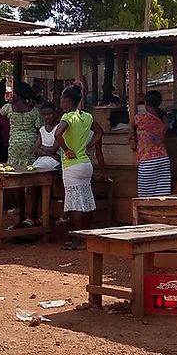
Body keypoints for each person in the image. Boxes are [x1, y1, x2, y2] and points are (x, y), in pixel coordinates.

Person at [55, 85, 105, 248]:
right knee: (87, 201)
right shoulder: (86, 117)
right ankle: (86, 238)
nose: (60, 102)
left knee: (76, 204)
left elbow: (57, 134)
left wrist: (67, 150)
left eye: (62, 99)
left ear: (68, 101)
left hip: (72, 166)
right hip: (85, 164)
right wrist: (89, 145)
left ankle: (77, 240)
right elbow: (99, 132)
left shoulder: (67, 118)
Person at [133, 90, 171, 198]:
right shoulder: (164, 118)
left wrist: (132, 133)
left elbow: (132, 125)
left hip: (147, 162)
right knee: (162, 197)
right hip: (163, 159)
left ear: (146, 103)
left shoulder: (140, 118)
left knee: (145, 198)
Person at [1, 82, 41, 169]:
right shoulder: (35, 111)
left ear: (18, 95)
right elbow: (39, 128)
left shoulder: (8, 108)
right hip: (30, 142)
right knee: (30, 168)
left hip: (15, 142)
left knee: (14, 167)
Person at [34, 102, 62, 169]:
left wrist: (41, 147)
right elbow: (36, 149)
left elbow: (53, 149)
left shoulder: (59, 128)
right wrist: (50, 155)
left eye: (49, 114)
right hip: (44, 158)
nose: (46, 117)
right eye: (44, 115)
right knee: (31, 168)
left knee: (37, 169)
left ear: (55, 113)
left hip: (54, 161)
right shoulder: (42, 129)